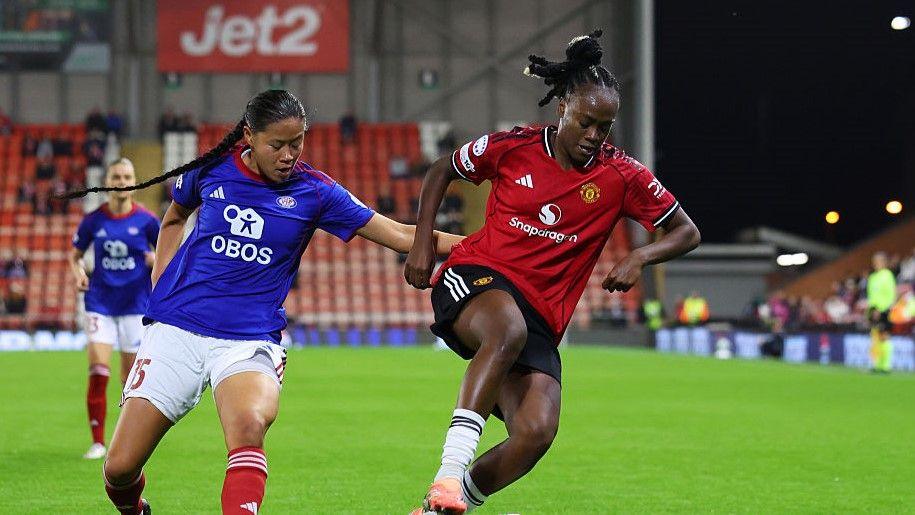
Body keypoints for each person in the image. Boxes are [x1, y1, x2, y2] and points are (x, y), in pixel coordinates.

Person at [63, 89, 463, 515]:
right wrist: (160, 283)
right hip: (176, 328)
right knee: (120, 468)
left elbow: (403, 236)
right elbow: (175, 216)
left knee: (249, 425)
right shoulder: (212, 168)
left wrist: (493, 246)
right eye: (278, 145)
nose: (289, 155)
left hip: (248, 339)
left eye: (298, 143)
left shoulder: (316, 191)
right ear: (250, 136)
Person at [404, 30, 700, 514]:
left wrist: (639, 256)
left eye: (604, 127)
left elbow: (686, 231)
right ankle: (447, 474)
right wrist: (422, 244)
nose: (594, 136)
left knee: (536, 432)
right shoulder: (514, 145)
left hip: (539, 318)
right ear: (562, 107)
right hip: (476, 277)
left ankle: (437, 511)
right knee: (505, 329)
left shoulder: (622, 175)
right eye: (586, 122)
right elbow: (442, 170)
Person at [68, 158, 160, 460]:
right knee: (98, 371)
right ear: (108, 181)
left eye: (127, 176)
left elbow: (168, 254)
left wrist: (155, 260)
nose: (122, 181)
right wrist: (79, 272)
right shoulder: (94, 220)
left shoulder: (147, 221)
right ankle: (97, 442)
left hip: (135, 306)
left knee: (130, 382)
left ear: (134, 181)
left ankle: (125, 443)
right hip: (100, 303)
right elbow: (75, 255)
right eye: (116, 176)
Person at [867, 252, 896, 373]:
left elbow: (891, 294)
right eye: (875, 261)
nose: (876, 264)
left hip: (884, 310)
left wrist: (882, 309)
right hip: (873, 311)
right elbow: (871, 296)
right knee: (875, 338)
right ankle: (876, 364)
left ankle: (886, 366)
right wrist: (871, 310)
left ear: (884, 262)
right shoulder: (872, 277)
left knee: (884, 336)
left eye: (879, 261)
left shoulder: (887, 275)